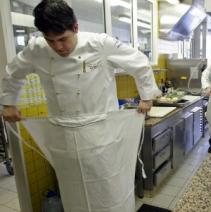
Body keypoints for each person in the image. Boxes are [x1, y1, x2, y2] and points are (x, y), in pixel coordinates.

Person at [0, 0, 160, 211]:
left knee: (109, 189)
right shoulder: (37, 50)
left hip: (100, 136)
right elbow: (13, 73)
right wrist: (8, 103)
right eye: (50, 41)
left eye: (62, 39)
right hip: (63, 138)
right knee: (73, 192)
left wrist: (147, 96)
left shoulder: (99, 44)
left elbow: (139, 62)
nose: (58, 47)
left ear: (75, 27)